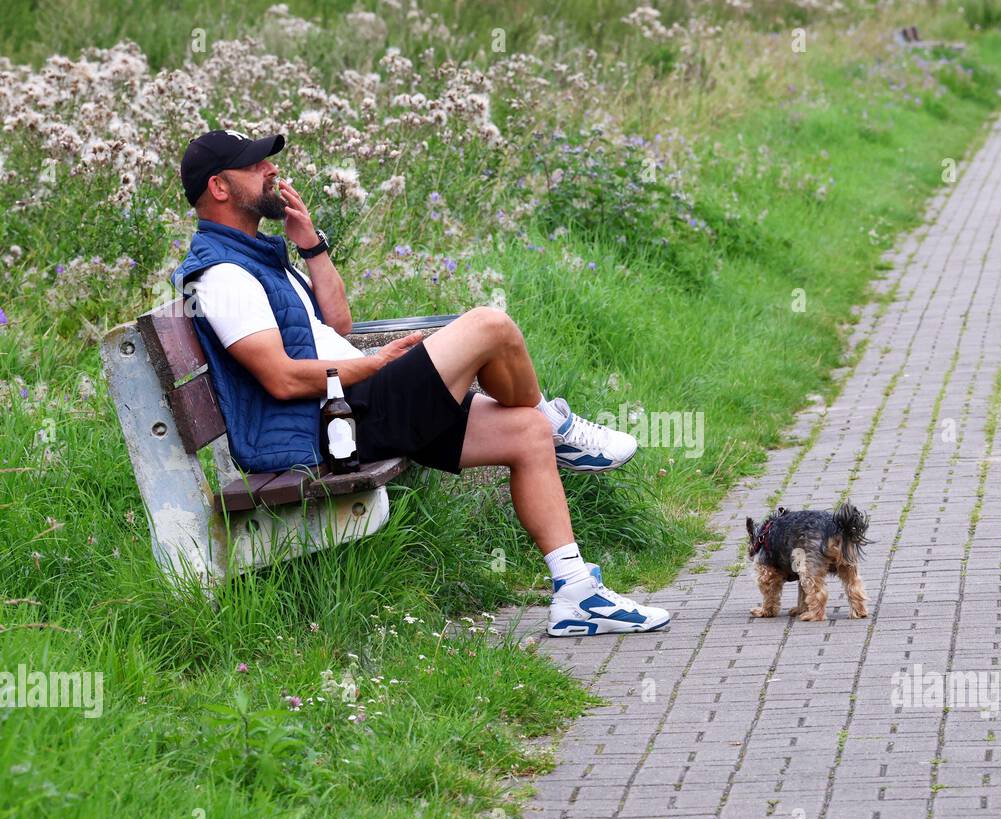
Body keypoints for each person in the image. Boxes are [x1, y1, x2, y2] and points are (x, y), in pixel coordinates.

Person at [172, 130, 669, 637]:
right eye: (255, 165)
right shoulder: (223, 276)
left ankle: (576, 594)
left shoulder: (255, 256)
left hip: (349, 404)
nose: (271, 170)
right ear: (219, 186)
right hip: (331, 426)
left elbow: (337, 324)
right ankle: (559, 422)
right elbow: (278, 379)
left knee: (525, 433)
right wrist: (372, 366)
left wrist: (311, 245)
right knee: (489, 326)